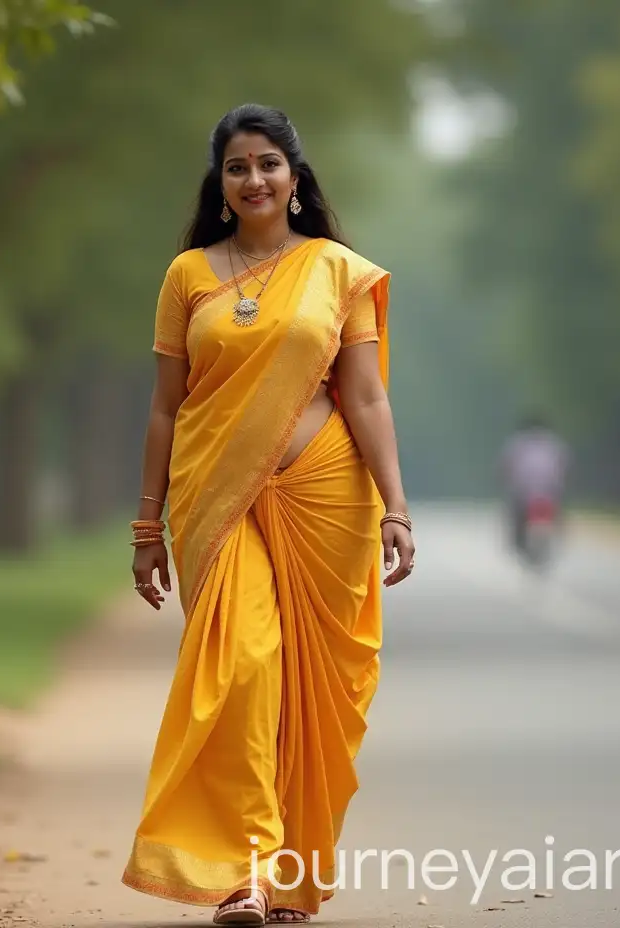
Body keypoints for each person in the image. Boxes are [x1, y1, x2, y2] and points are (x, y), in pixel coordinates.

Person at [121, 104, 415, 926]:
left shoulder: (336, 271)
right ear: (220, 186)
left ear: (295, 178)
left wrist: (397, 507)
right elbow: (164, 411)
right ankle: (241, 871)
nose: (254, 179)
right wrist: (148, 526)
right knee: (243, 668)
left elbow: (364, 394)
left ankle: (288, 881)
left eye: (268, 164)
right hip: (216, 496)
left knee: (316, 694)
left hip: (326, 496)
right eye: (237, 167)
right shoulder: (189, 277)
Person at [498, 414, 570, 552]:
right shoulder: (554, 443)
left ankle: (517, 539)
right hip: (551, 489)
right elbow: (565, 466)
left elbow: (505, 466)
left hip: (524, 490)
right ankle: (559, 534)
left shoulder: (517, 443)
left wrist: (503, 481)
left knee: (515, 513)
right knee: (559, 511)